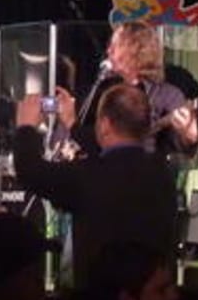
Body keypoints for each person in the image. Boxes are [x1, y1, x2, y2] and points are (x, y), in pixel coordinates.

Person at [13, 82, 179, 283]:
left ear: (105, 125)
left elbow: (30, 171)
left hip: (101, 297)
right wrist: (73, 125)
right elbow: (115, 152)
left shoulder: (86, 176)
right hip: (152, 295)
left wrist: (26, 127)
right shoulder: (161, 173)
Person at [60, 23, 198, 158]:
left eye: (115, 45)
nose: (108, 51)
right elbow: (97, 142)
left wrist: (190, 135)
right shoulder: (104, 89)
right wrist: (72, 125)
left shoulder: (167, 96)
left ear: (136, 50)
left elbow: (186, 151)